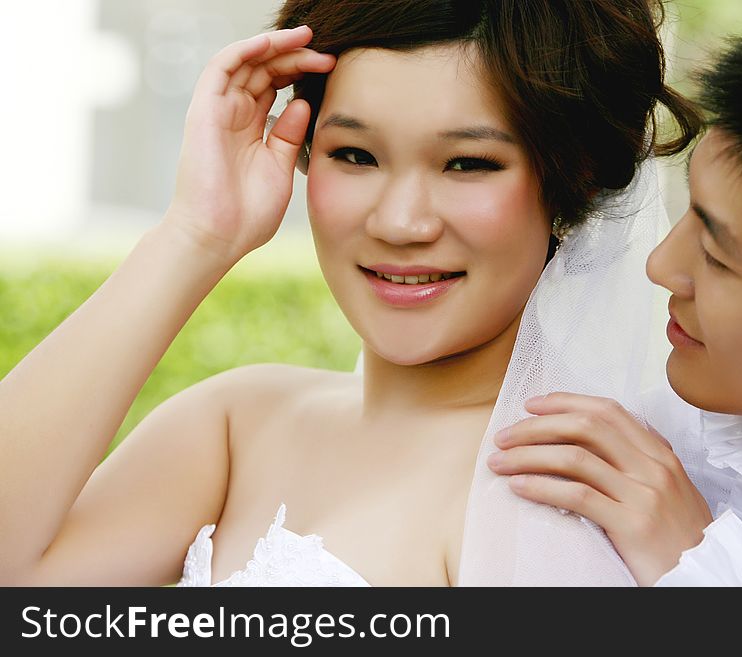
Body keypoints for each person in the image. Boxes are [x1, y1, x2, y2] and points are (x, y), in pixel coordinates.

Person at [0, 0, 701, 586]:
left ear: (571, 179)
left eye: (468, 163)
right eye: (355, 155)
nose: (400, 221)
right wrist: (194, 234)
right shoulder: (237, 423)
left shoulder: (564, 484)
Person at [490, 4, 742, 586]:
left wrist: (699, 582)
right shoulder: (638, 451)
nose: (660, 265)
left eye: (719, 257)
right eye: (689, 215)